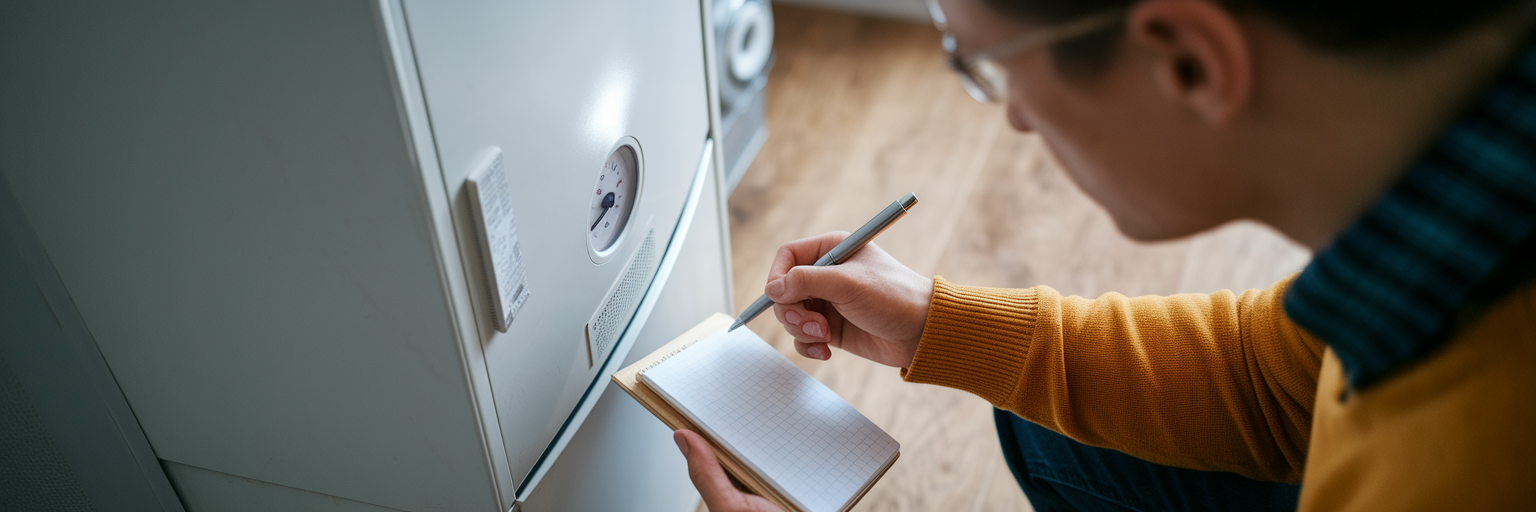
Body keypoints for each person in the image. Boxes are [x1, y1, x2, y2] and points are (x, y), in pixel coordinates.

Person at [672, 0, 1536, 509]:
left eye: (992, 66)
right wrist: (939, 323)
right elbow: (1281, 385)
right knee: (1059, 433)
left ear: (1188, 62)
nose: (1015, 117)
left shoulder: (1465, 469)